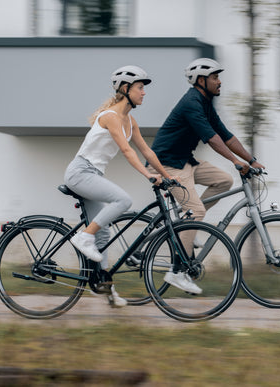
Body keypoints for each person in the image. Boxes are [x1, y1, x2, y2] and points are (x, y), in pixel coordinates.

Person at [148, 58, 265, 294]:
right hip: (166, 165)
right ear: (201, 80)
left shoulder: (205, 103)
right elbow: (212, 139)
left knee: (223, 181)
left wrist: (251, 160)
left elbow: (226, 136)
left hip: (185, 161)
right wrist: (234, 161)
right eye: (215, 77)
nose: (219, 82)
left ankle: (185, 227)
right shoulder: (192, 102)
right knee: (197, 211)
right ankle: (177, 271)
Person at [65, 65, 176, 307]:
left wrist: (166, 176)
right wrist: (148, 175)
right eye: (139, 88)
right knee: (122, 201)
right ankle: (83, 237)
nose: (144, 93)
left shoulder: (129, 120)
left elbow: (146, 150)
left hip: (92, 174)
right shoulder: (111, 117)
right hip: (80, 172)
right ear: (125, 89)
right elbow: (127, 151)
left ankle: (103, 285)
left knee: (103, 231)